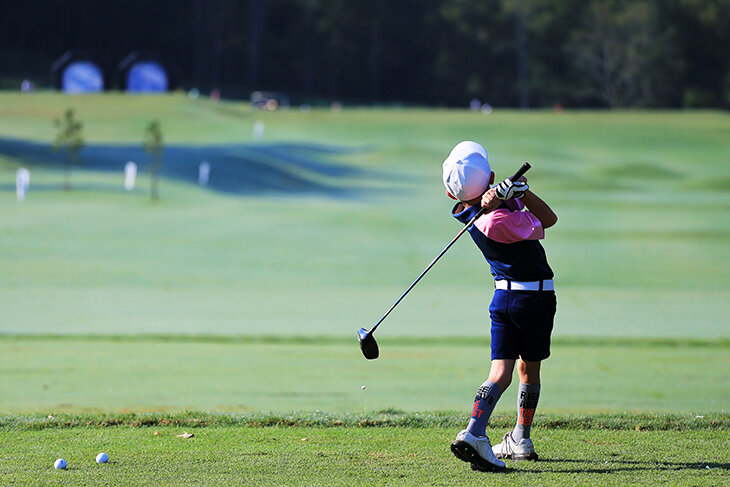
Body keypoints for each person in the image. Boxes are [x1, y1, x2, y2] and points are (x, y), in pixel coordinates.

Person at [442, 141, 558, 472]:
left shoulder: (467, 212)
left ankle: (483, 433)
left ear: (452, 196)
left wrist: (500, 198)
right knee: (529, 369)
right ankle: (510, 436)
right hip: (533, 298)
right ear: (491, 175)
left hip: (502, 300)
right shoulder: (495, 222)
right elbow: (549, 219)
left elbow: (482, 206)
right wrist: (520, 194)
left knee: (502, 372)